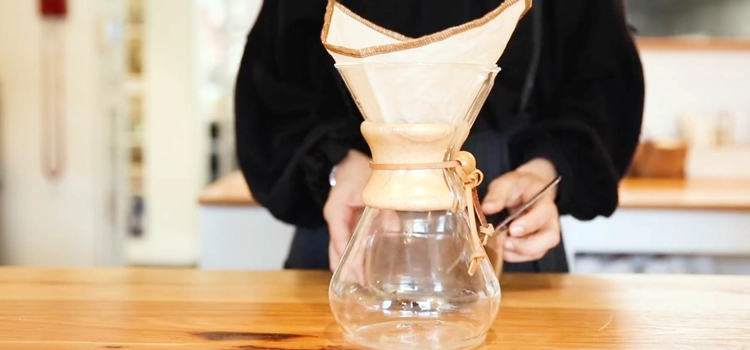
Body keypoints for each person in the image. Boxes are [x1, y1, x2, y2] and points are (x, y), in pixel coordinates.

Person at [234, 0, 645, 273]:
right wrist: (336, 165)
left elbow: (600, 81)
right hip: (355, 206)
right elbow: (274, 80)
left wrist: (545, 171)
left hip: (501, 216)